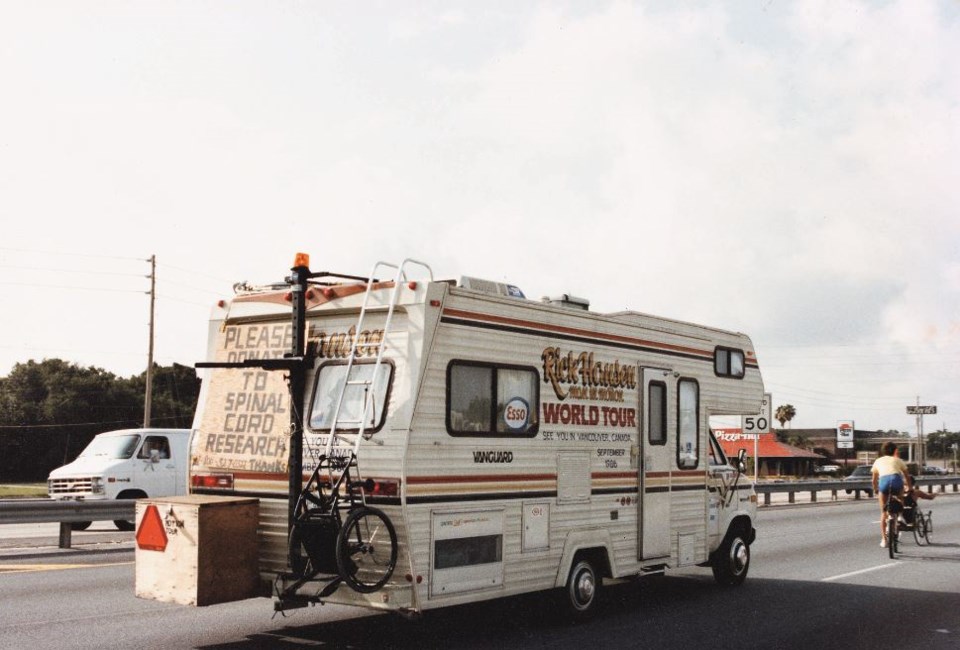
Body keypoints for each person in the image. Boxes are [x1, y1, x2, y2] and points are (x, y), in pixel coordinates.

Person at [871, 441, 910, 548]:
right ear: (895, 451)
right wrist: (910, 488)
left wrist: (875, 489)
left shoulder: (878, 461)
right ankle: (901, 515)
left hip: (883, 482)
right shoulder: (898, 460)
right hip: (896, 480)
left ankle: (884, 540)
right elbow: (907, 476)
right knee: (900, 496)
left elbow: (874, 479)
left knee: (884, 512)